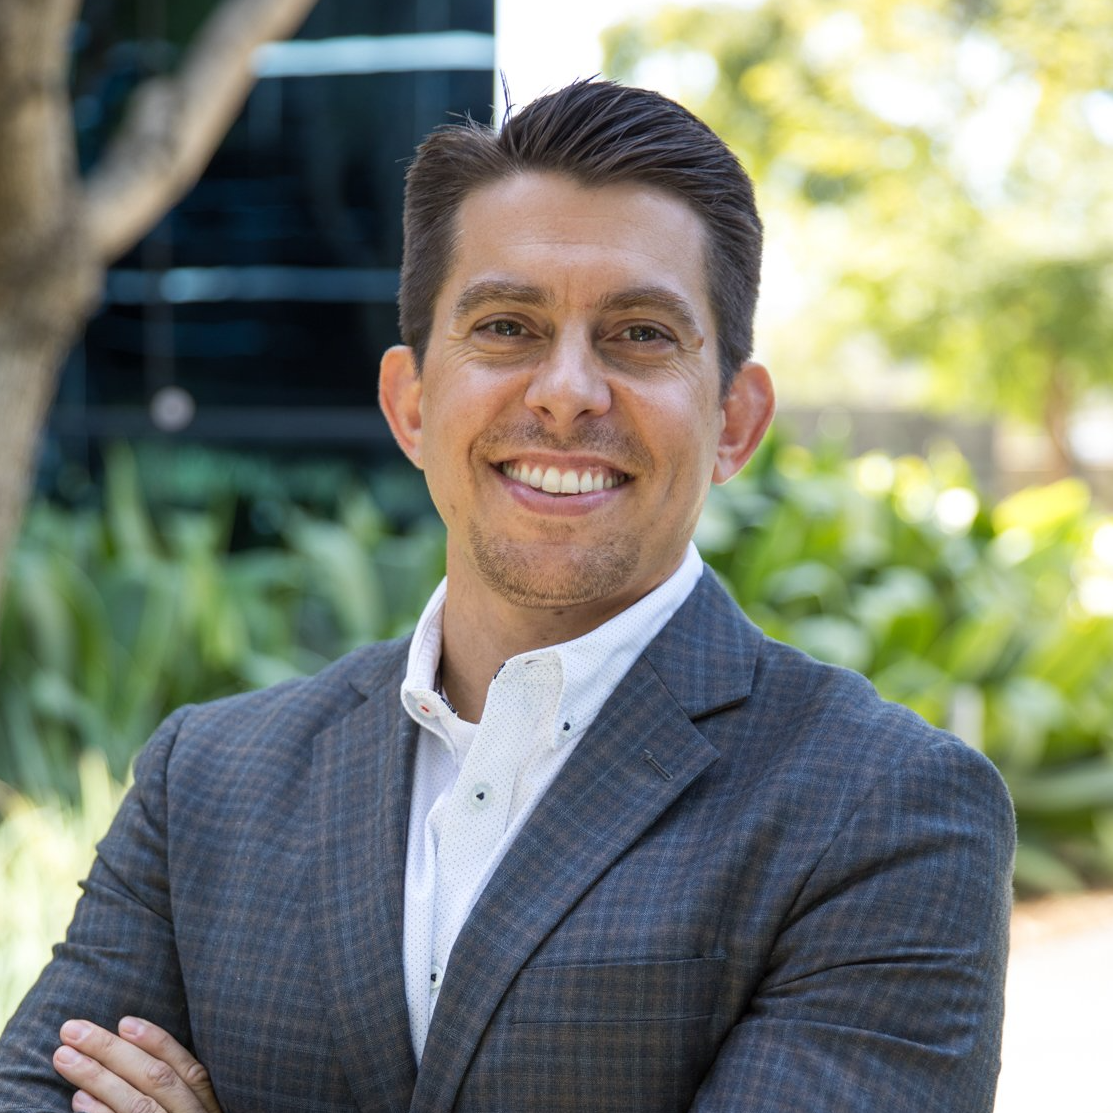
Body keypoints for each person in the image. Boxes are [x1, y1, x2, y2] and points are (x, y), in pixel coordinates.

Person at [0, 79, 1014, 1113]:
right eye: (507, 327)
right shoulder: (206, 779)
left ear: (735, 423)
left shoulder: (888, 810)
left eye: (640, 335)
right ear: (411, 403)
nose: (567, 390)